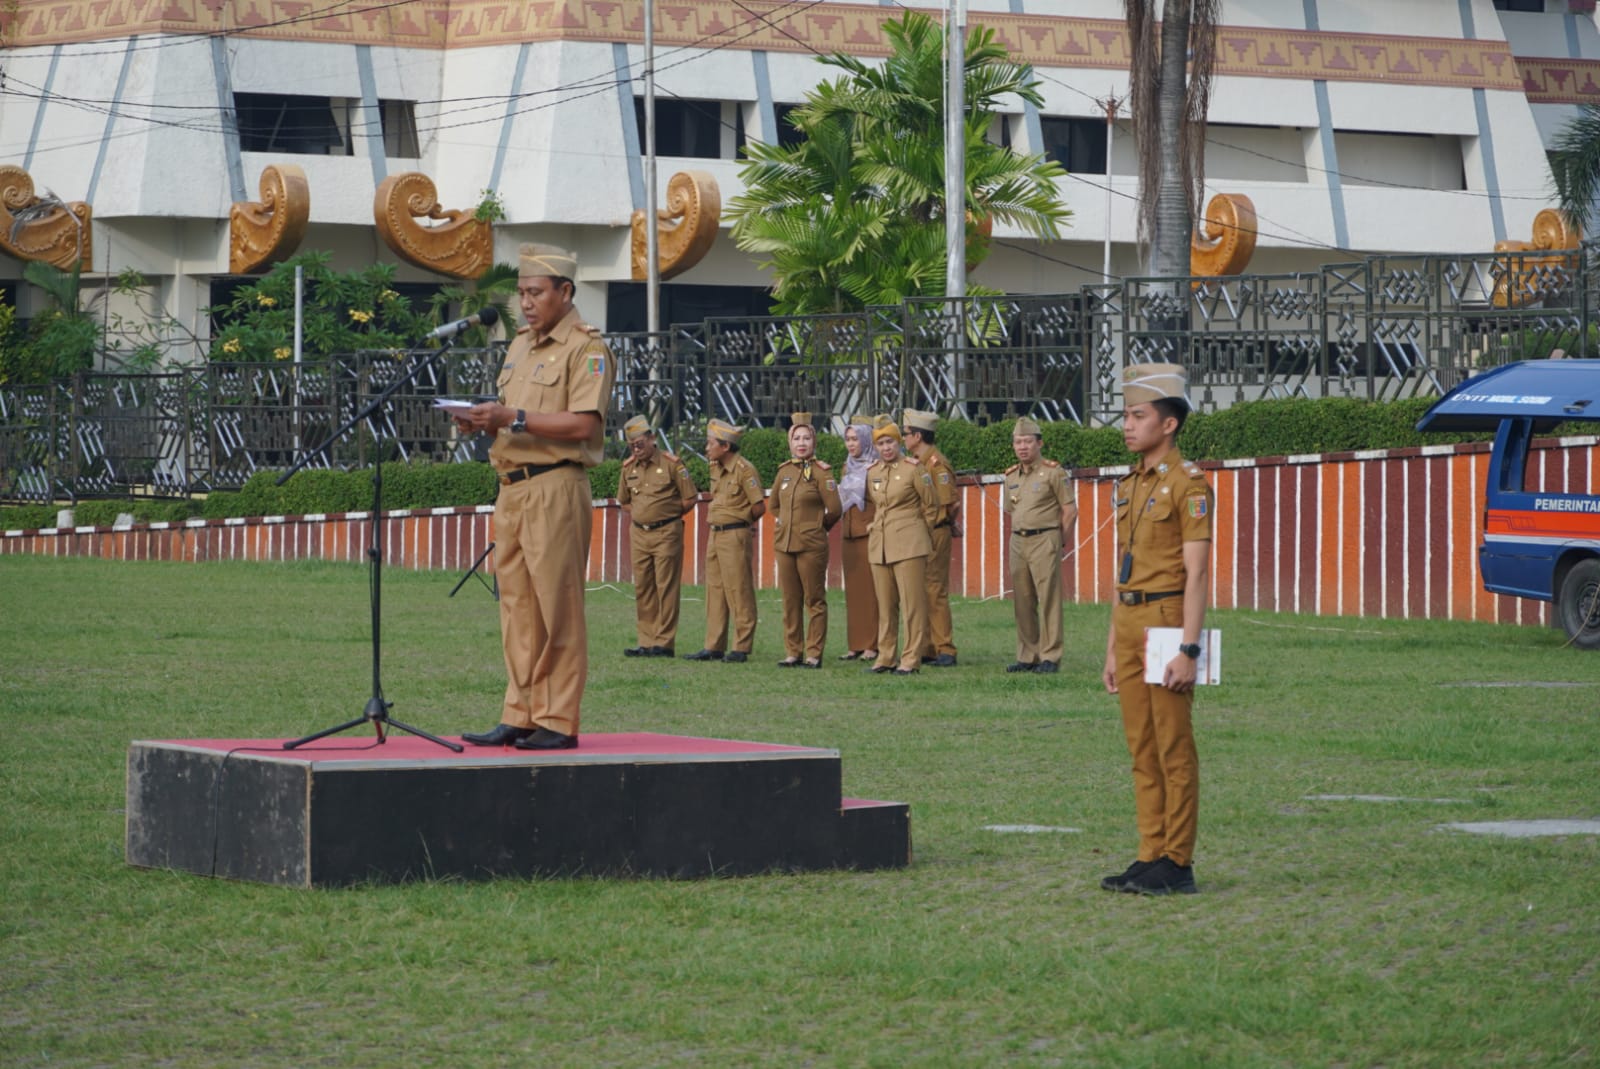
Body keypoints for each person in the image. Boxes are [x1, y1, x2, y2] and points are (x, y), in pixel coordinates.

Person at [452, 243, 615, 751]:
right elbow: (508, 410)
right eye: (521, 292)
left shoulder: (586, 349)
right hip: (511, 488)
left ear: (565, 292)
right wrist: (481, 419)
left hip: (556, 486)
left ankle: (557, 719)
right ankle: (519, 712)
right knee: (517, 608)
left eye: (535, 292)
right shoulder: (520, 344)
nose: (525, 302)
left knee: (557, 607)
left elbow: (585, 424)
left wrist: (512, 418)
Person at [1099, 362, 1215, 896]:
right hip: (1129, 622)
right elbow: (1125, 569)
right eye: (1125, 415)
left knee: (1173, 745)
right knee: (1140, 747)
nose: (1127, 425)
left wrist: (1190, 648)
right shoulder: (1129, 484)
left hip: (1168, 621)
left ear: (1168, 424)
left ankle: (1178, 860)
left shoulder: (1188, 484)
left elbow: (1197, 573)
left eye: (1137, 415)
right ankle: (1150, 853)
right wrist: (1109, 648)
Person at [616, 415, 698, 658]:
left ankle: (664, 642)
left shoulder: (673, 465)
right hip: (640, 533)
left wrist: (667, 515)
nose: (636, 449)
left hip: (666, 532)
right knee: (643, 587)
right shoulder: (628, 468)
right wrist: (644, 516)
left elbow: (690, 498)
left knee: (666, 587)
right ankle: (646, 640)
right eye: (632, 446)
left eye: (640, 444)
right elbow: (624, 502)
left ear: (652, 438)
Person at [684, 419, 764, 663]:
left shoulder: (744, 470)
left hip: (734, 534)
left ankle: (741, 646)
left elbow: (759, 506)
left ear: (725, 447)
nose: (707, 449)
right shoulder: (715, 467)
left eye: (710, 444)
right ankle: (713, 646)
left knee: (739, 590)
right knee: (715, 591)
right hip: (715, 534)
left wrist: (740, 523)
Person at [1003, 416, 1077, 674]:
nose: (1022, 447)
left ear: (1039, 443)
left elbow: (1069, 511)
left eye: (1027, 441)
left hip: (1045, 538)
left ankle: (1050, 655)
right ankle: (1027, 655)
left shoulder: (1053, 472)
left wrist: (1060, 540)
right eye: (1017, 442)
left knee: (1048, 599)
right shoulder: (1010, 476)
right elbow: (1010, 510)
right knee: (1022, 600)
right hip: (1018, 540)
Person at [866, 420, 940, 675]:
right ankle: (885, 657)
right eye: (880, 443)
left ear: (899, 443)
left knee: (912, 604)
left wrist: (919, 532)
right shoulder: (873, 472)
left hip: (909, 543)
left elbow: (931, 506)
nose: (886, 448)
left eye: (890, 442)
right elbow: (876, 505)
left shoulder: (913, 469)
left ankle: (910, 659)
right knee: (885, 605)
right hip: (881, 544)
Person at [770, 413, 842, 667]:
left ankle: (813, 653)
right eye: (796, 438)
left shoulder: (823, 472)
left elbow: (834, 509)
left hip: (811, 545)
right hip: (785, 544)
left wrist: (816, 527)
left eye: (806, 438)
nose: (801, 443)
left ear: (814, 442)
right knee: (790, 601)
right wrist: (787, 523)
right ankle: (793, 651)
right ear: (790, 442)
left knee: (814, 599)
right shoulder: (784, 471)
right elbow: (774, 505)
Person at [903, 409, 959, 667]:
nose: (903, 439)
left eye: (905, 434)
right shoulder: (918, 461)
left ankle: (945, 648)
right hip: (921, 533)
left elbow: (949, 503)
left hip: (935, 531)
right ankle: (927, 647)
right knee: (922, 590)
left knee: (935, 590)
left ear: (917, 435)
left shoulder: (936, 463)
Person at [836, 417, 879, 663]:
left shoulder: (876, 466)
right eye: (848, 439)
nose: (851, 444)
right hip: (849, 533)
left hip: (869, 533)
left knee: (872, 592)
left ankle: (873, 644)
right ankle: (856, 644)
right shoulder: (847, 467)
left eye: (855, 439)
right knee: (854, 592)